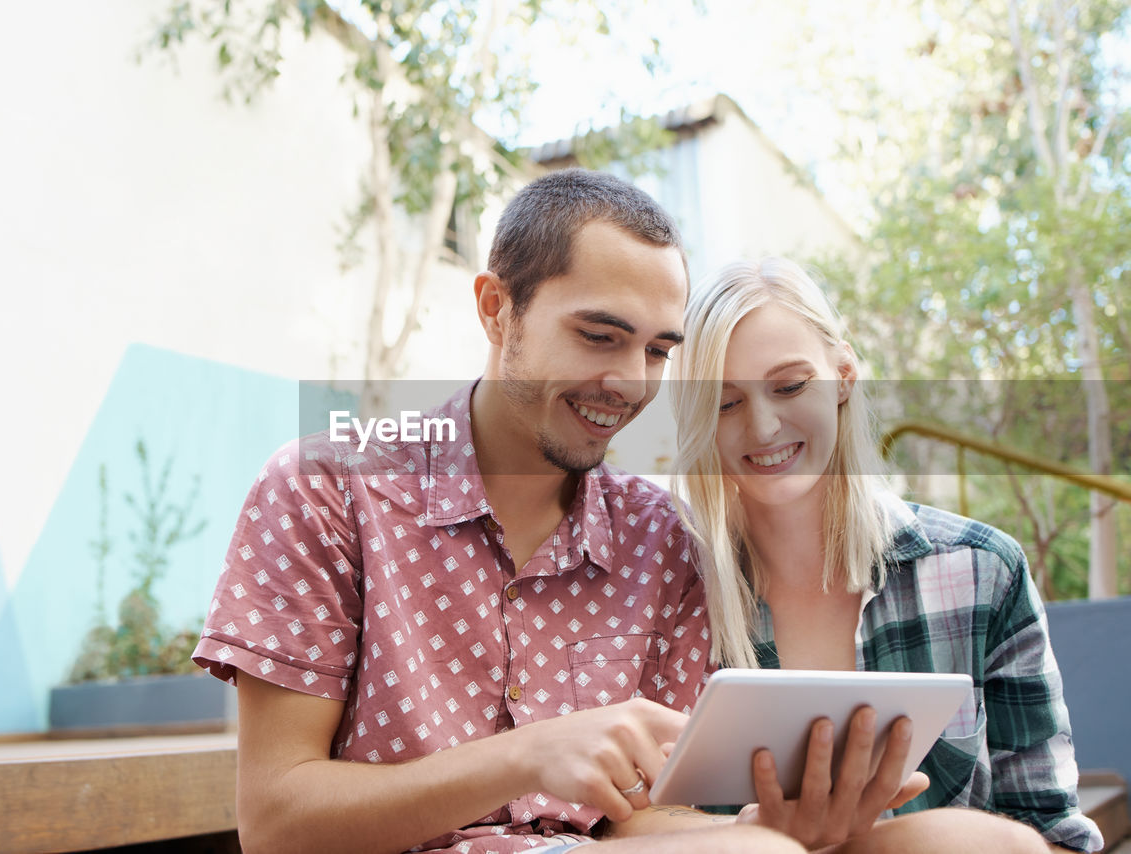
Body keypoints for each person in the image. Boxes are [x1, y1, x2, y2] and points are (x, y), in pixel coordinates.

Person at [188, 172, 914, 854]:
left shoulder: (661, 539)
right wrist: (526, 755)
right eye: (599, 337)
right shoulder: (328, 488)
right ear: (497, 311)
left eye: (658, 350)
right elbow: (275, 819)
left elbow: (650, 812)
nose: (629, 383)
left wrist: (760, 828)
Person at [668, 257, 1103, 853]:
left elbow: (1057, 837)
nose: (764, 426)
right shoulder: (667, 593)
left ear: (844, 375)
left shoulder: (982, 573)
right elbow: (629, 825)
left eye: (790, 385)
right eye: (723, 403)